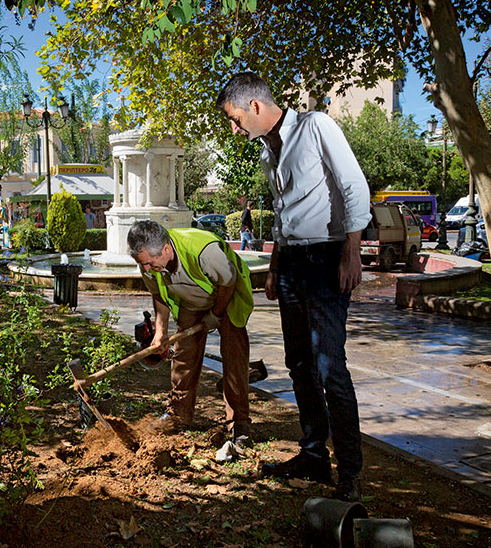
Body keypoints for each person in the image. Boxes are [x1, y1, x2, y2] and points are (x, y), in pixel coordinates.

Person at [217, 72, 371, 500]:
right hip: (291, 265)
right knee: (298, 362)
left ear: (255, 107)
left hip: (327, 258)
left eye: (233, 119)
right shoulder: (268, 152)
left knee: (329, 365)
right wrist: (273, 267)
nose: (234, 129)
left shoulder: (315, 126)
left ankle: (350, 473)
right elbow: (283, 216)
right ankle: (313, 455)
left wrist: (351, 252)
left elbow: (354, 188)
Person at [127, 220, 254, 451]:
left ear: (166, 249)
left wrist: (216, 314)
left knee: (234, 360)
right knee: (184, 356)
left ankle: (239, 424)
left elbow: (229, 281)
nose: (145, 269)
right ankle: (178, 415)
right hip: (191, 301)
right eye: (142, 264)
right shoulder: (147, 261)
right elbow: (158, 294)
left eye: (148, 263)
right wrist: (161, 332)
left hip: (227, 295)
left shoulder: (205, 251)